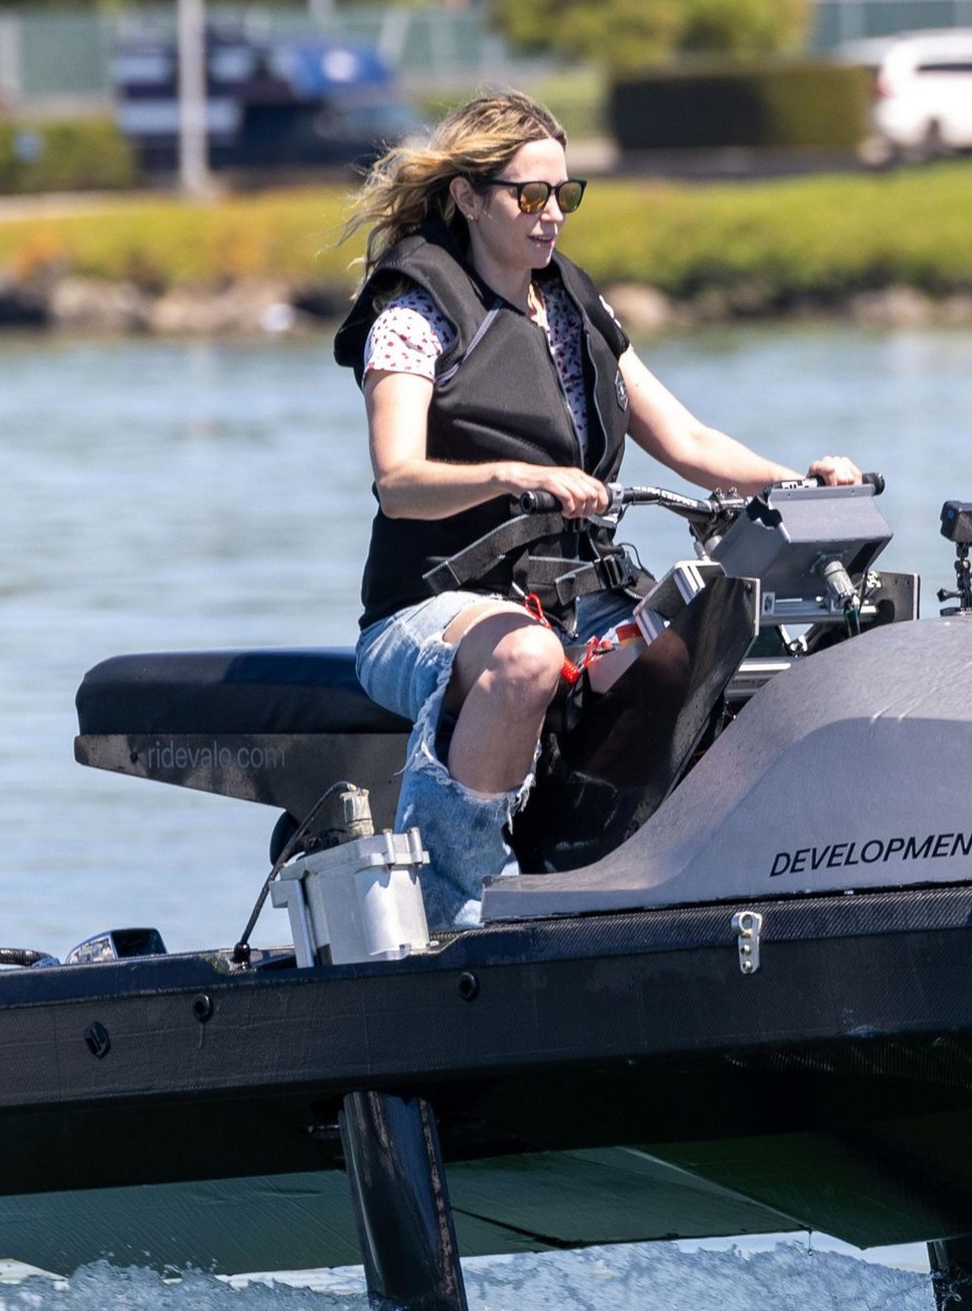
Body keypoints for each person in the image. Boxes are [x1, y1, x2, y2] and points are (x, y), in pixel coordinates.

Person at [336, 91, 862, 929]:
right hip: (427, 610)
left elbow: (685, 441)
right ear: (469, 198)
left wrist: (799, 486)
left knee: (693, 658)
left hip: (574, 598)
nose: (552, 217)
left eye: (565, 196)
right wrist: (514, 472)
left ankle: (651, 887)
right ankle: (455, 910)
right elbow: (398, 479)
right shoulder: (414, 314)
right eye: (530, 196)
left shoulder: (579, 308)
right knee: (528, 660)